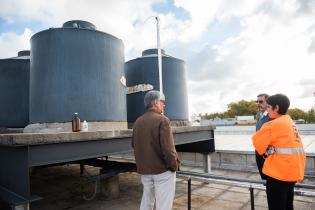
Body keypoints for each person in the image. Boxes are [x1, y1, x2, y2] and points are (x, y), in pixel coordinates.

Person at [252, 94, 306, 210]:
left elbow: (257, 144)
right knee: (288, 205)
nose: (267, 109)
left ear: (276, 108)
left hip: (278, 174)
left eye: (269, 107)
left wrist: (268, 150)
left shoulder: (272, 124)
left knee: (276, 206)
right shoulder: (290, 122)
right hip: (292, 172)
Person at [132, 90, 180, 210]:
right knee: (164, 205)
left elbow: (134, 144)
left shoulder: (137, 122)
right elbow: (168, 149)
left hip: (145, 171)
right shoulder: (162, 120)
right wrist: (174, 166)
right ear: (155, 102)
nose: (164, 104)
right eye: (162, 102)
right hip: (162, 171)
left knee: (147, 201)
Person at [255, 93, 271, 180]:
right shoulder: (260, 115)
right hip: (259, 152)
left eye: (261, 101)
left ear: (268, 103)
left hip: (266, 154)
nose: (258, 103)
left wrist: (266, 155)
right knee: (264, 179)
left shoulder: (271, 116)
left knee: (269, 179)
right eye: (257, 101)